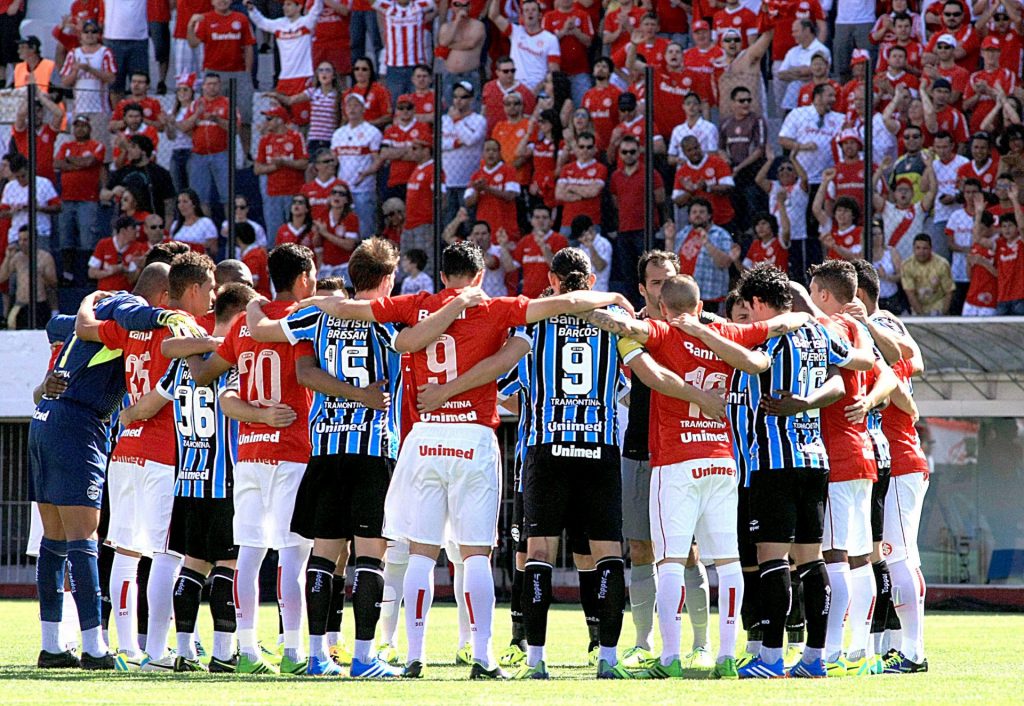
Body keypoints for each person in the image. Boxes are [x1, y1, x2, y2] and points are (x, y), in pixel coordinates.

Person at [398, 246, 714, 679]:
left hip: (546, 447)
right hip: (598, 448)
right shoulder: (615, 329)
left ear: (552, 281)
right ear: (589, 281)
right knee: (607, 555)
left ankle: (535, 660)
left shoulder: (535, 327)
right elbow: (637, 380)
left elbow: (504, 375)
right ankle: (606, 659)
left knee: (538, 552)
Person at [163, 244, 317, 675]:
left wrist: (198, 341)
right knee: (292, 554)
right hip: (291, 449)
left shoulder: (245, 329)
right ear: (303, 278)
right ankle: (293, 652)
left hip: (247, 453)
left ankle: (246, 652)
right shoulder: (302, 321)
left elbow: (205, 375)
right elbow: (308, 373)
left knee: (248, 554)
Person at [28, 270, 186, 671]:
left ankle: (52, 646)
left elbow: (55, 323)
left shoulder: (101, 310)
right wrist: (162, 319)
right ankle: (95, 648)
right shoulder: (129, 308)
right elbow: (132, 318)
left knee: (55, 539)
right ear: (163, 295)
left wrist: (86, 306)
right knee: (84, 538)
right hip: (78, 425)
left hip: (45, 419)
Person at [732, 264, 874, 679]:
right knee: (812, 563)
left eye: (748, 306)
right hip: (815, 460)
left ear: (759, 303)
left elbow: (752, 363)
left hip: (773, 462)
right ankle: (814, 658)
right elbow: (841, 381)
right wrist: (808, 401)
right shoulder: (819, 334)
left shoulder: (771, 337)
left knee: (772, 559)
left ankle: (771, 658)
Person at [75, 253, 214, 671]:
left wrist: (90, 297)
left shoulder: (131, 329)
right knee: (166, 553)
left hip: (125, 449)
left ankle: (127, 650)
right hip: (163, 450)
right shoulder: (181, 326)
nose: (210, 297)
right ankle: (156, 651)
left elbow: (85, 327)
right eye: (207, 289)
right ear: (184, 291)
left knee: (126, 553)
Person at [804, 261, 898, 677]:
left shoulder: (834, 329)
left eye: (812, 290)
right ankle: (859, 650)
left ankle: (832, 651)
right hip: (861, 453)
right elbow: (889, 372)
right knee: (861, 557)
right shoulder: (859, 329)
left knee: (835, 555)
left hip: (838, 453)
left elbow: (882, 373)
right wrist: (873, 399)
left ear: (824, 294)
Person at [190, 0, 257, 150]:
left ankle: (246, 155)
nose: (222, 1)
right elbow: (193, 43)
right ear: (212, 2)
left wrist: (247, 72)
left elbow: (248, 46)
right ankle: (220, 152)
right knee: (214, 116)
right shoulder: (205, 18)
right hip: (214, 74)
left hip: (239, 74)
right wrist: (190, 25)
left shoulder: (241, 18)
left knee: (245, 117)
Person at [246, 0, 323, 125]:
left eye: (289, 4)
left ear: (299, 7)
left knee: (302, 120)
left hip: (303, 77)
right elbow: (262, 22)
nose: (284, 7)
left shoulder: (306, 23)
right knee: (281, 119)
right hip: (284, 78)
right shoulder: (279, 24)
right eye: (284, 5)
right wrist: (252, 9)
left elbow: (317, 8)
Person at [609, 135, 664, 304]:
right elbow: (615, 201)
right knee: (628, 273)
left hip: (645, 229)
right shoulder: (616, 176)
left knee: (646, 271)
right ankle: (632, 307)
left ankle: (650, 305)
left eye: (632, 151)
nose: (628, 155)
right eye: (624, 152)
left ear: (638, 152)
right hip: (625, 230)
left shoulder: (650, 173)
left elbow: (660, 198)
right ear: (620, 154)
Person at [180, 73, 238, 216]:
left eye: (215, 84)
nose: (212, 87)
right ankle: (207, 231)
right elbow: (183, 127)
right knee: (200, 198)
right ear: (203, 86)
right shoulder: (195, 104)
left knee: (227, 196)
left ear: (220, 85)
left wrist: (216, 119)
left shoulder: (227, 103)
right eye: (209, 84)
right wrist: (196, 115)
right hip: (198, 155)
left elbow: (236, 128)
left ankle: (229, 228)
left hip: (221, 153)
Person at [665, 198, 735, 314]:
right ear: (689, 216)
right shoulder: (683, 233)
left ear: (709, 215)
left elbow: (724, 263)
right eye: (694, 212)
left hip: (710, 296)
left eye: (702, 212)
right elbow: (671, 261)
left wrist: (707, 243)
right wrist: (669, 239)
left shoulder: (721, 234)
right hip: (684, 294)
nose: (697, 215)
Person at [331, 93, 383, 240]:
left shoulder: (372, 132)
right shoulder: (338, 134)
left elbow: (377, 160)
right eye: (349, 105)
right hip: (342, 190)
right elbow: (333, 160)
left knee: (365, 229)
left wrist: (365, 174)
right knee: (343, 228)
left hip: (363, 189)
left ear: (363, 108)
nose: (352, 109)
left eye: (356, 105)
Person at [255, 105, 310, 245]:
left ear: (279, 120)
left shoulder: (296, 137)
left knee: (296, 229)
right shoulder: (265, 140)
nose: (266, 122)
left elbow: (304, 163)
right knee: (274, 232)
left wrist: (285, 163)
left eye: (269, 118)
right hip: (273, 192)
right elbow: (257, 169)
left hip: (294, 191)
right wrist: (275, 166)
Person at [58, 19, 116, 142]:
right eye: (86, 31)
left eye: (93, 31)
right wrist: (75, 72)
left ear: (98, 34)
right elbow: (64, 82)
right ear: (81, 34)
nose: (90, 35)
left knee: (100, 148)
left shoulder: (105, 52)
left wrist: (89, 69)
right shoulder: (73, 53)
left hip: (100, 109)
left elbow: (111, 78)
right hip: (79, 109)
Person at [369, 0, 436, 101]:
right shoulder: (387, 7)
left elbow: (438, 3)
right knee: (396, 105)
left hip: (417, 66)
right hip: (394, 68)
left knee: (418, 103)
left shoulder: (420, 6)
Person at [490, 0, 560, 96]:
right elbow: (494, 16)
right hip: (515, 88)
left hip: (539, 91)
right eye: (526, 10)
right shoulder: (515, 32)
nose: (530, 12)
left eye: (533, 10)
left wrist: (537, 89)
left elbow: (554, 71)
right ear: (521, 16)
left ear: (540, 15)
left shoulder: (550, 39)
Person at [0, 154, 61, 254]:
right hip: (17, 234)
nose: (20, 180)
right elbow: (2, 213)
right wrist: (12, 211)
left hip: (40, 232)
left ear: (29, 170)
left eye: (23, 176)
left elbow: (58, 207)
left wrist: (38, 208)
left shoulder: (44, 183)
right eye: (17, 177)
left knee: (40, 264)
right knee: (14, 264)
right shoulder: (10, 187)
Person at [671, 137, 736, 230]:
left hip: (724, 221)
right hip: (698, 225)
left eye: (696, 148)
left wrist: (708, 188)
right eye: (689, 150)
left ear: (700, 146)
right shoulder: (682, 172)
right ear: (684, 153)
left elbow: (729, 187)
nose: (694, 152)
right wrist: (690, 192)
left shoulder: (717, 162)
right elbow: (677, 201)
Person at [0, 226, 57, 330]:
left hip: (39, 304)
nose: (22, 243)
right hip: (20, 305)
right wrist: (8, 257)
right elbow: (2, 278)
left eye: (25, 240)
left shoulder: (45, 257)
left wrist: (41, 274)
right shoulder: (17, 257)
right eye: (20, 240)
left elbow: (53, 283)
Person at [401, 139, 444, 275]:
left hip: (424, 224)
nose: (411, 151)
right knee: (408, 263)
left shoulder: (433, 169)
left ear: (426, 150)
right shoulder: (417, 168)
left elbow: (441, 196)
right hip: (410, 224)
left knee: (425, 263)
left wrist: (432, 220)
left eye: (415, 148)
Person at [465, 138, 521, 242]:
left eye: (494, 150)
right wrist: (477, 191)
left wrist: (487, 188)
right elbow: (468, 202)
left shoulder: (508, 171)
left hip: (505, 228)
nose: (491, 153)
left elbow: (511, 195)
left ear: (500, 153)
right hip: (484, 231)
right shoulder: (476, 175)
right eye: (487, 150)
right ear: (482, 153)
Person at [555, 132, 607, 236]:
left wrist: (571, 187)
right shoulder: (567, 168)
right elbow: (559, 194)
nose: (585, 150)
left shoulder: (600, 168)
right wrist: (582, 193)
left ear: (594, 149)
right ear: (576, 148)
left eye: (589, 147)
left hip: (591, 224)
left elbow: (592, 192)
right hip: (568, 222)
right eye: (581, 147)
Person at [437, 3, 485, 104]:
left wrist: (450, 45)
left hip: (470, 73)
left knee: (472, 108)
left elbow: (470, 44)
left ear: (470, 6)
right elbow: (443, 42)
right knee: (449, 108)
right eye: (457, 4)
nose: (461, 8)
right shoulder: (446, 26)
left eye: (465, 5)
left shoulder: (478, 25)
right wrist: (457, 21)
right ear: (452, 7)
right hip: (450, 74)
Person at [87, 216, 148, 291]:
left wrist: (124, 269)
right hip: (104, 294)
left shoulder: (139, 248)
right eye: (133, 228)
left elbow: (132, 280)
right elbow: (91, 273)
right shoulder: (103, 244)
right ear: (123, 231)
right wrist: (110, 272)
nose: (137, 230)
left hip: (126, 296)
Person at [900, 233, 954, 316]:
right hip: (918, 307)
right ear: (913, 249)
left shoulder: (942, 264)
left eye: (925, 248)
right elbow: (910, 294)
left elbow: (949, 291)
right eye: (918, 248)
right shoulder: (907, 265)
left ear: (931, 249)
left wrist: (943, 314)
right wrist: (921, 316)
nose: (921, 252)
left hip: (938, 306)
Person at [482, 56, 537, 137]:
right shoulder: (488, 87)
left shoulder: (525, 92)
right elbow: (484, 110)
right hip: (491, 135)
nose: (510, 74)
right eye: (506, 71)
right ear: (497, 72)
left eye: (512, 71)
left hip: (514, 136)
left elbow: (528, 117)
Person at [170, 189, 219, 255]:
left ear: (194, 204)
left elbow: (214, 250)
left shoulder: (206, 223)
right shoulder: (175, 224)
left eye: (185, 202)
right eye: (179, 202)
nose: (181, 205)